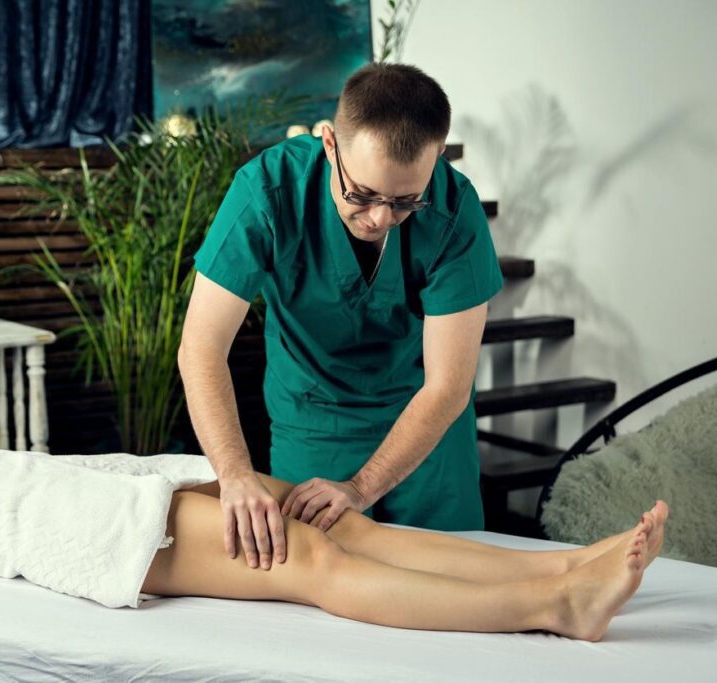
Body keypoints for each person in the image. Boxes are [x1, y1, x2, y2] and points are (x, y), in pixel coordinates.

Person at [0, 417, 668, 642]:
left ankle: (569, 562)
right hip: (102, 534)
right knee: (311, 562)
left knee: (335, 520)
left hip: (131, 484)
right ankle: (555, 601)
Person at [178, 62, 504, 571]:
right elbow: (201, 346)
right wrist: (237, 475)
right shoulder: (267, 192)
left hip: (426, 429)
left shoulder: (454, 211)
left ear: (437, 158)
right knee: (317, 579)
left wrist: (361, 487)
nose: (379, 219)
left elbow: (447, 387)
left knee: (453, 578)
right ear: (329, 144)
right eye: (362, 195)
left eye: (404, 202)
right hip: (315, 419)